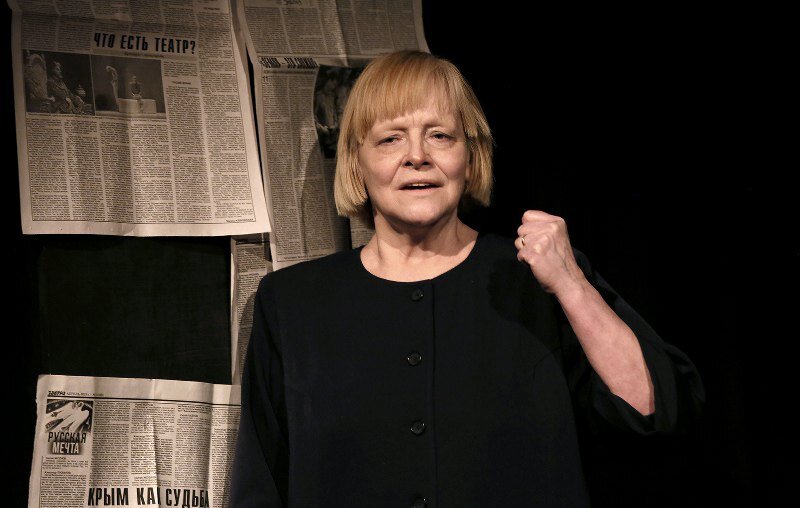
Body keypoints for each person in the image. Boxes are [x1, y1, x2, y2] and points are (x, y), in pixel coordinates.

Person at [231, 50, 703, 507]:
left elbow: (654, 412)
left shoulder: (536, 279)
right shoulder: (293, 303)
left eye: (440, 136)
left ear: (471, 157)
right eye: (390, 139)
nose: (417, 156)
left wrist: (572, 285)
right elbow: (260, 486)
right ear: (356, 162)